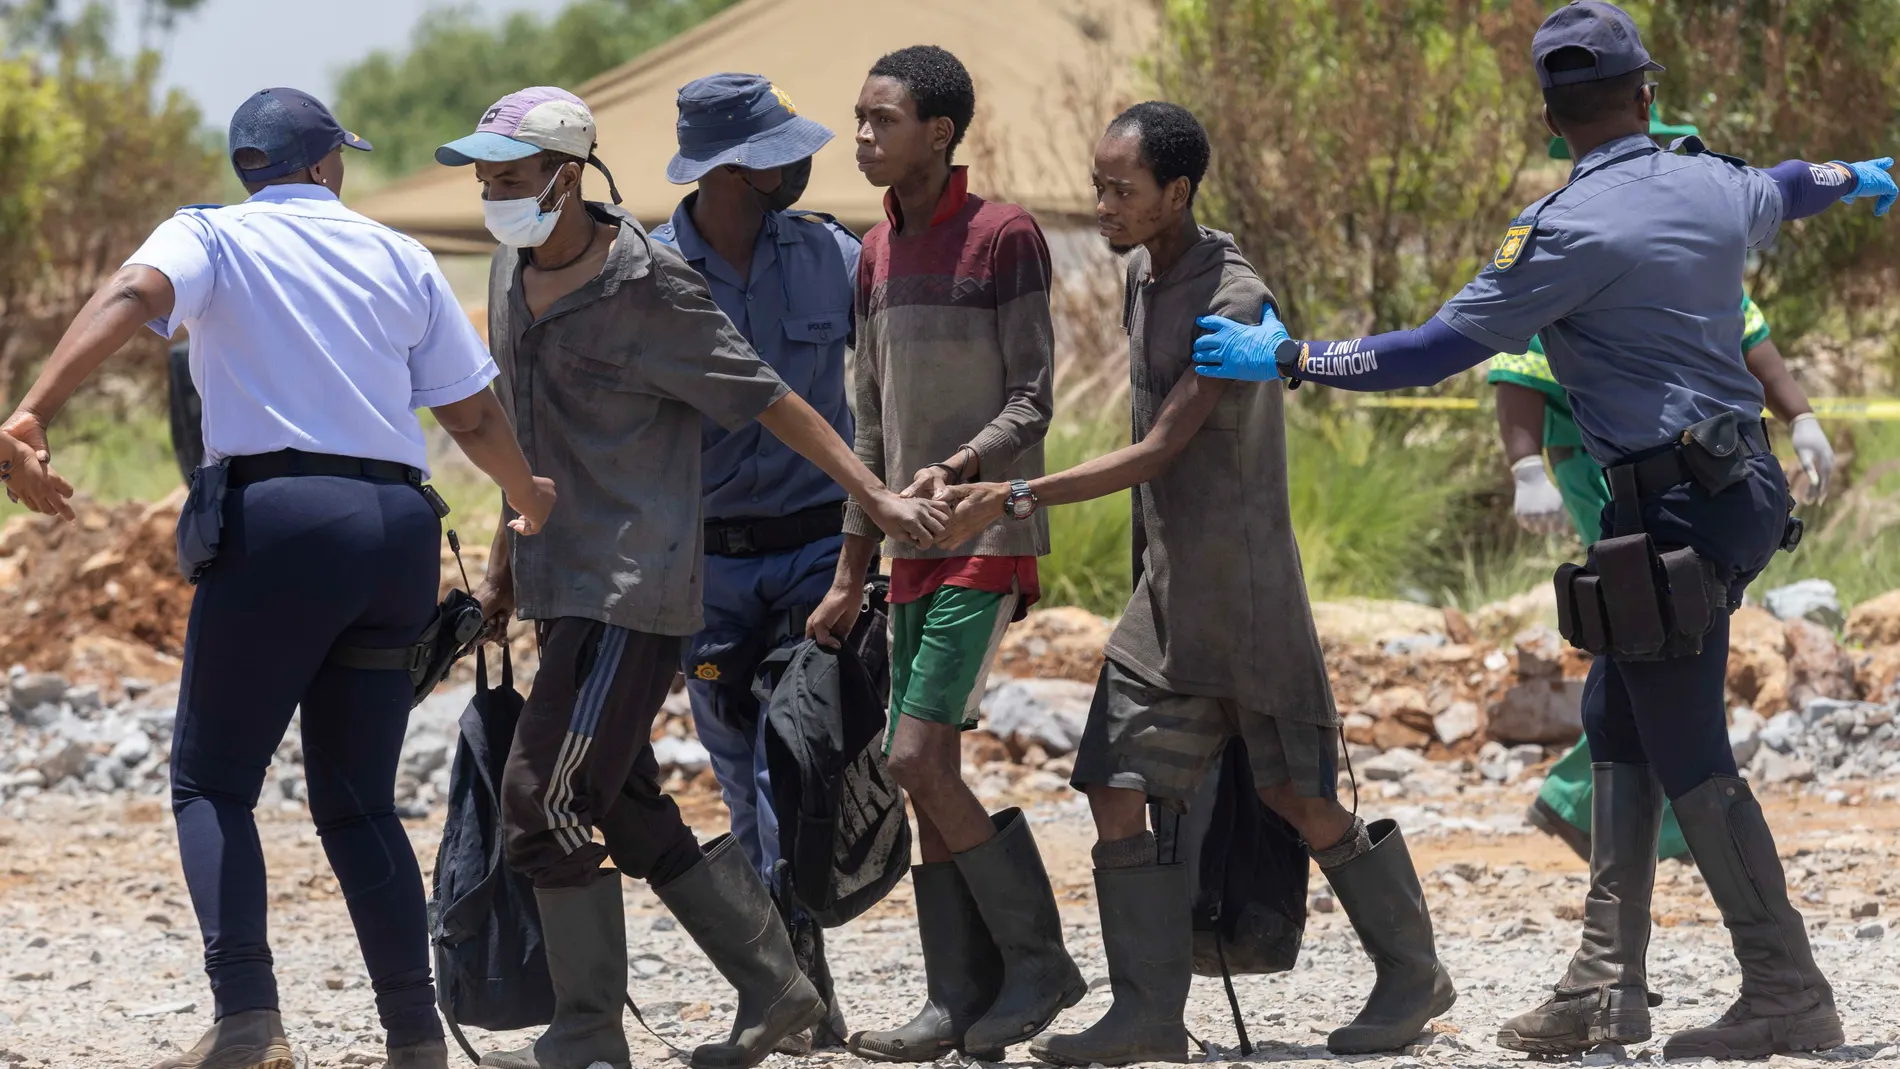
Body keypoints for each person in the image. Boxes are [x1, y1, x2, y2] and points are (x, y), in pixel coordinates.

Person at [1192, 2, 1893, 1058]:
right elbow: (1787, 186)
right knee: (1617, 713)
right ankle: (1604, 987)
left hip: (1667, 512)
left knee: (1689, 745)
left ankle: (1786, 987)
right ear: (1647, 95)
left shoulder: (1559, 230)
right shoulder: (1710, 181)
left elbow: (1429, 352)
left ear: (1552, 121)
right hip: (1730, 490)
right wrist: (1856, 174)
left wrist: (1291, 358)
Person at [0, 87, 557, 1069]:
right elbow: (469, 417)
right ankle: (414, 1036)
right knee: (358, 801)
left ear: (248, 166)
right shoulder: (397, 254)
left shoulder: (209, 237)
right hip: (395, 532)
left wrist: (33, 411)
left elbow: (131, 297)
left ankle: (251, 1020)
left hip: (283, 525)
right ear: (326, 162)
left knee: (211, 780)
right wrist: (529, 496)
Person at [935, 102, 1456, 1064]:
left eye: (1119, 190)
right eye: (1096, 187)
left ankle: (1412, 971)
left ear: (1177, 191)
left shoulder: (1236, 298)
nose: (1101, 206)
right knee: (1111, 779)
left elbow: (1161, 447)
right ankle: (1148, 1014)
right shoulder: (1142, 273)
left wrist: (1009, 496)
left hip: (1247, 600)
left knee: (1299, 797)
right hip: (1166, 597)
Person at [439, 87, 943, 1069]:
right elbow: (521, 439)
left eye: (509, 174)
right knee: (623, 802)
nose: (492, 191)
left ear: (566, 174)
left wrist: (874, 501)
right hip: (559, 583)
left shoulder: (648, 285)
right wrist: (502, 565)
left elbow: (771, 397)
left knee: (540, 801)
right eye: (484, 174)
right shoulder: (507, 273)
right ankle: (776, 990)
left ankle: (587, 1030)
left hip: (637, 588)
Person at [803, 44, 1083, 1063]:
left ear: (940, 132)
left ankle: (1039, 963)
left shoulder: (1005, 237)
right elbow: (868, 424)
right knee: (931, 768)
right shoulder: (872, 252)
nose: (865, 137)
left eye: (883, 120)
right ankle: (955, 999)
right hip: (905, 546)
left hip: (987, 532)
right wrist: (849, 568)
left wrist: (960, 469)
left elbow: (1034, 397)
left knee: (913, 756)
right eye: (861, 118)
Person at [1501, 109, 1837, 866]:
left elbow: (1758, 347)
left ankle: (1594, 816)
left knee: (1659, 630)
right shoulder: (1573, 240)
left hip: (1702, 473)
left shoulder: (1697, 256)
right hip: (1604, 471)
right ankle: (1648, 818)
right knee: (1658, 621)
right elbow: (1515, 372)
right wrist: (1526, 469)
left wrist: (1805, 420)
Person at [649, 72, 860, 1052]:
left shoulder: (832, 254)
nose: (804, 159)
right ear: (734, 167)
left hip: (821, 551)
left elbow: (908, 358)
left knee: (796, 761)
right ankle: (789, 982)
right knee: (739, 777)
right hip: (709, 568)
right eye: (781, 148)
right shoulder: (647, 273)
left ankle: (799, 977)